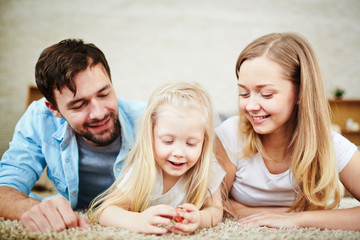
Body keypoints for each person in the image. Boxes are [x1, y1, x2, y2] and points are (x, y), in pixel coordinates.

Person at [215, 32, 360, 231]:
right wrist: (287, 212)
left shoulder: (332, 145)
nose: (251, 106)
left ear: (300, 93)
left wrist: (298, 220)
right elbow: (213, 205)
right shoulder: (230, 135)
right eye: (244, 93)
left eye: (266, 94)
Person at [0, 39, 146, 232]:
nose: (99, 113)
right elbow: (5, 189)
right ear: (54, 108)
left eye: (104, 94)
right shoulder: (39, 118)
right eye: (79, 105)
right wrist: (31, 208)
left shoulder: (148, 119)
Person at [88, 82, 225, 235]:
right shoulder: (143, 169)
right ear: (151, 136)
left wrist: (199, 218)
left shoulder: (207, 166)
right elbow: (106, 212)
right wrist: (136, 221)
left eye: (191, 143)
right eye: (168, 141)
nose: (179, 152)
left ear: (204, 142)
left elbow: (216, 210)